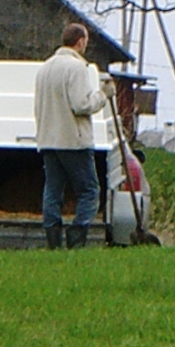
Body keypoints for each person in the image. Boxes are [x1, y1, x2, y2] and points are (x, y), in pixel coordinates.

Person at [33, 22, 114, 250]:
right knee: (89, 191)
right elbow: (81, 104)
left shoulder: (44, 68)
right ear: (80, 42)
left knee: (52, 191)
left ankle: (53, 241)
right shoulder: (77, 68)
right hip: (73, 140)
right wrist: (103, 95)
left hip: (48, 140)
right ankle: (76, 236)